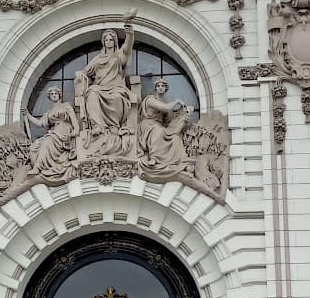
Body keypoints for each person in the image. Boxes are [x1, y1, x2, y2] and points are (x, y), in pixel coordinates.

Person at [76, 18, 136, 155]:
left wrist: (129, 32)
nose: (109, 42)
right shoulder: (97, 59)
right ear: (104, 42)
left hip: (116, 89)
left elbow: (127, 48)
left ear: (115, 42)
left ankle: (114, 127)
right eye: (106, 40)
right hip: (99, 88)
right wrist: (80, 75)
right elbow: (85, 71)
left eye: (111, 39)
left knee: (116, 98)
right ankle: (97, 126)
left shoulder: (119, 55)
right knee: (91, 92)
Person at [138, 78, 193, 174]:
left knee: (175, 137)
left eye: (163, 86)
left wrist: (182, 112)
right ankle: (154, 158)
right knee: (158, 131)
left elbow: (168, 120)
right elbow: (165, 108)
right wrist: (177, 101)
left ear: (166, 88)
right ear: (155, 88)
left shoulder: (165, 103)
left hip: (160, 126)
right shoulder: (150, 99)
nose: (160, 88)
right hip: (148, 125)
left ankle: (181, 160)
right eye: (158, 86)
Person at [26, 86, 78, 181]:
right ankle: (39, 165)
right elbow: (40, 123)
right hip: (54, 133)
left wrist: (75, 131)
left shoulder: (66, 106)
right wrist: (28, 115)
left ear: (59, 95)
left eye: (55, 93)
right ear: (49, 97)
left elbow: (74, 121)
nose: (54, 95)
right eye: (52, 94)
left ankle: (37, 168)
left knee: (47, 142)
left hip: (64, 133)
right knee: (35, 146)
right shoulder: (49, 112)